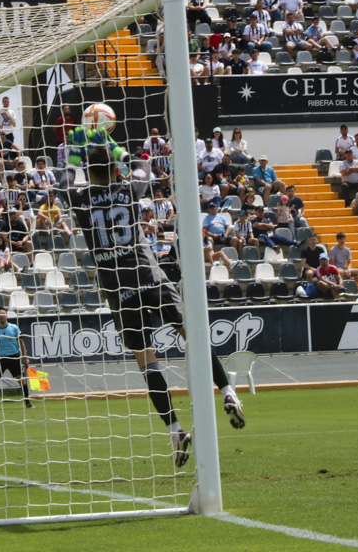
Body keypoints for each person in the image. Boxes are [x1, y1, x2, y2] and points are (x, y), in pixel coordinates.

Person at [66, 147, 246, 467]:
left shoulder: (80, 200)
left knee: (147, 362)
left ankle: (175, 430)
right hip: (150, 277)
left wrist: (76, 156)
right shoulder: (128, 188)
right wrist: (121, 151)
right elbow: (143, 166)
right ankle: (228, 390)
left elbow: (64, 180)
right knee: (191, 335)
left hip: (120, 291)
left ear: (89, 174)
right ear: (116, 171)